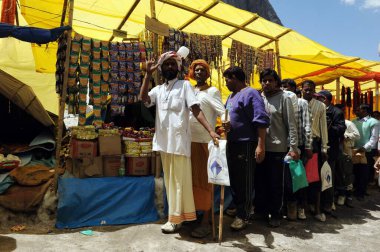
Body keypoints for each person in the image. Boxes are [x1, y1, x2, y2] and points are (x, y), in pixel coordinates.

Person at [139, 51, 219, 233]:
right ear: (161, 68)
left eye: (172, 64)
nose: (169, 67)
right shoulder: (158, 89)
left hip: (179, 142)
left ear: (178, 68)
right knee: (170, 181)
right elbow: (144, 99)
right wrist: (147, 75)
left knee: (179, 181)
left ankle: (176, 219)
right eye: (166, 64)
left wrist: (211, 130)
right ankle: (179, 217)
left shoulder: (185, 86)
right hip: (163, 143)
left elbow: (196, 109)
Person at [222, 66, 270, 231]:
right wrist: (226, 124)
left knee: (245, 180)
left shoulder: (251, 93)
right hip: (232, 142)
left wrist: (261, 145)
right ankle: (238, 206)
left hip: (247, 143)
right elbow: (227, 115)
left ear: (235, 77)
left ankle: (244, 214)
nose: (226, 83)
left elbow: (261, 119)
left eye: (227, 79)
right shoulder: (230, 96)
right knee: (235, 178)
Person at [255, 69, 299, 227]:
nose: (266, 83)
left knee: (276, 183)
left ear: (276, 82)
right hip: (260, 148)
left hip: (277, 149)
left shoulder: (284, 99)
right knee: (261, 182)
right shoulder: (258, 97)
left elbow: (291, 125)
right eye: (264, 80)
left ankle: (276, 213)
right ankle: (262, 211)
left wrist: (293, 147)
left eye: (270, 80)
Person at [187, 59, 225, 238]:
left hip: (205, 142)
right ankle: (196, 215)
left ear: (208, 73)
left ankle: (206, 220)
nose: (199, 73)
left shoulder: (212, 91)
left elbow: (222, 111)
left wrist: (225, 126)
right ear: (192, 73)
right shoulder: (190, 90)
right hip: (188, 142)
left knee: (206, 181)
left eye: (203, 70)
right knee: (192, 181)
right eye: (197, 70)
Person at [282, 78, 312, 220]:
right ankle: (285, 207)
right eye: (282, 87)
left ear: (294, 89)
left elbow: (307, 125)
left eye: (287, 87)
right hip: (281, 146)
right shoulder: (279, 100)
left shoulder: (301, 103)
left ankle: (299, 207)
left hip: (297, 146)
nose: (284, 90)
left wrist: (308, 146)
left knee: (298, 178)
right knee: (284, 179)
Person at [301, 80, 328, 222]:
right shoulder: (296, 103)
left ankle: (317, 209)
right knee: (300, 178)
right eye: (306, 89)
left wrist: (324, 147)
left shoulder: (320, 106)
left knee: (314, 178)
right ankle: (302, 208)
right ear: (301, 89)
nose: (308, 92)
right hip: (300, 145)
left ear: (314, 91)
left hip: (314, 145)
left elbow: (323, 127)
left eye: (310, 90)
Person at [317, 90, 346, 213]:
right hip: (317, 148)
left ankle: (328, 203)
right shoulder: (317, 108)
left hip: (330, 150)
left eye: (319, 98)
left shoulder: (336, 112)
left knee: (328, 176)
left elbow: (341, 128)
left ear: (324, 99)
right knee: (317, 177)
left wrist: (326, 128)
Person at [352, 104, 379, 201]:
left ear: (365, 111)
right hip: (354, 150)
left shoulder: (374, 122)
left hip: (366, 151)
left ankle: (360, 192)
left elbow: (374, 138)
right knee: (355, 171)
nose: (356, 111)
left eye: (358, 110)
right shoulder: (353, 121)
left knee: (364, 172)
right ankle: (355, 189)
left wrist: (364, 148)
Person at [335, 104, 360, 206]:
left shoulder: (348, 123)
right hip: (336, 151)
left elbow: (357, 135)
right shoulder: (334, 123)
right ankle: (340, 194)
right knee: (338, 174)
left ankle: (348, 196)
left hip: (346, 151)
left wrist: (345, 135)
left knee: (347, 173)